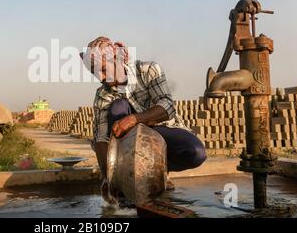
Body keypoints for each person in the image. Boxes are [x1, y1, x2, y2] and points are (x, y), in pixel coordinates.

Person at [80, 36, 206, 201]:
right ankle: (125, 179)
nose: (101, 77)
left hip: (163, 130)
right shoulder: (103, 94)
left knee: (196, 153)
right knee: (118, 106)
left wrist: (134, 119)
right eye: (95, 73)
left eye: (104, 69)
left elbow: (167, 106)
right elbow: (101, 138)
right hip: (127, 144)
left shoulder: (148, 70)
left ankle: (160, 171)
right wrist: (107, 178)